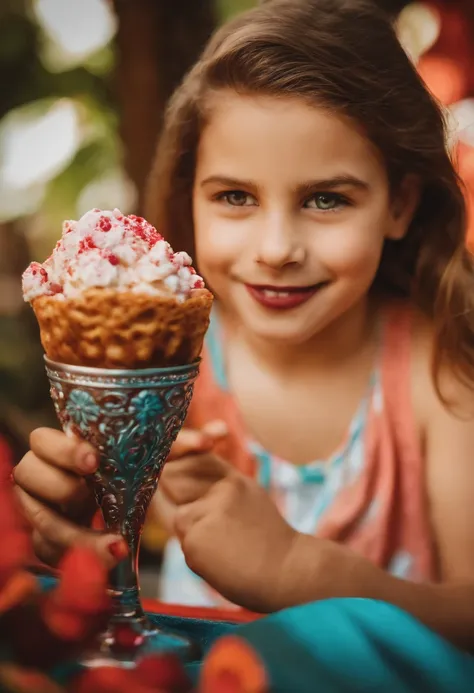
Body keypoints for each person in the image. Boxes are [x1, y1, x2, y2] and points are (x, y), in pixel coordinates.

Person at [12, 0, 474, 651]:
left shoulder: (435, 373)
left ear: (399, 204)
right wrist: (67, 534)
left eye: (325, 198)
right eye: (235, 196)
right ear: (189, 192)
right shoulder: (164, 357)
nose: (278, 246)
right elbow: (112, 564)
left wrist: (303, 572)